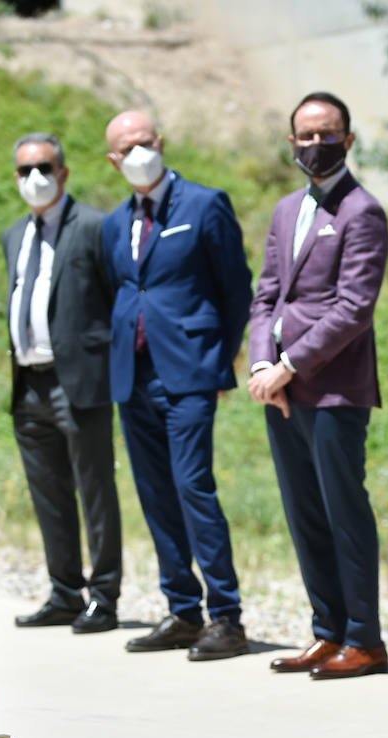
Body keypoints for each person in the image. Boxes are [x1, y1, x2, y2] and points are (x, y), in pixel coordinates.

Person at [101, 110, 254, 661]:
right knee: (154, 493)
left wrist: (220, 355)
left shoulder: (204, 204)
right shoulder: (114, 223)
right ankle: (182, 610)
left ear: (161, 143)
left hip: (189, 371)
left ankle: (227, 617)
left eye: (146, 142)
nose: (138, 153)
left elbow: (236, 287)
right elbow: (118, 291)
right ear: (113, 161)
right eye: (127, 147)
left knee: (193, 486)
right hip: (134, 375)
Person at [248, 92, 388, 679]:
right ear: (291, 143)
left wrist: (291, 364)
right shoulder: (286, 210)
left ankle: (364, 638)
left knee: (342, 512)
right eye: (305, 136)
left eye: (327, 134)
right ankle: (326, 631)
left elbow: (353, 308)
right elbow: (266, 295)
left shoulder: (364, 212)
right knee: (304, 512)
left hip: (334, 389)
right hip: (282, 389)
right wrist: (263, 365)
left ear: (348, 140)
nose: (315, 145)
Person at [4, 132, 123, 635]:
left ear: (64, 173)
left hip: (79, 381)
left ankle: (104, 596)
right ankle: (64, 591)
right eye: (26, 169)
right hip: (27, 383)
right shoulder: (15, 234)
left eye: (45, 168)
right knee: (48, 492)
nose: (36, 178)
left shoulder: (95, 226)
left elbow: (118, 299)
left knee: (95, 489)